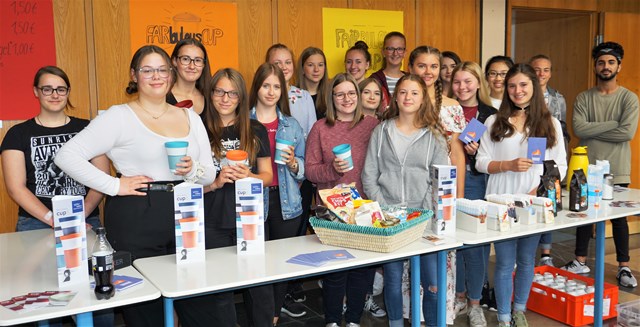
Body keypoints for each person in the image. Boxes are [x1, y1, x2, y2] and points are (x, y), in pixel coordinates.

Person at [55, 45, 220, 327]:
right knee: (146, 311)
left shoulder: (190, 117)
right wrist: (113, 185)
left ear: (171, 73)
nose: (156, 76)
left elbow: (208, 175)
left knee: (201, 305)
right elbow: (66, 156)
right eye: (147, 70)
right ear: (134, 75)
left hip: (186, 214)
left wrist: (193, 169)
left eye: (162, 69)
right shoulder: (118, 116)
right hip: (136, 216)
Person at [0, 66, 113, 327]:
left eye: (60, 89)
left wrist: (76, 217)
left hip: (85, 224)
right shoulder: (17, 134)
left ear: (68, 92)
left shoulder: (89, 129)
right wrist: (54, 219)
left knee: (97, 298)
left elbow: (101, 180)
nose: (54, 94)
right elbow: (16, 187)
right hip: (36, 225)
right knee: (42, 301)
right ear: (36, 92)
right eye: (47, 88)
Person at [476, 63, 567, 327]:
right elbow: (481, 162)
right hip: (501, 201)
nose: (517, 91)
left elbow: (560, 164)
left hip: (534, 203)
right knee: (504, 262)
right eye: (512, 85)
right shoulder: (494, 121)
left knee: (527, 259)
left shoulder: (550, 123)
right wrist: (508, 165)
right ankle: (504, 317)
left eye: (523, 85)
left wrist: (538, 191)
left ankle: (519, 310)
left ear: (534, 88)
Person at [362, 74, 449, 327]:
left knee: (431, 282)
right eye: (403, 92)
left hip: (424, 218)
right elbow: (369, 175)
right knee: (392, 279)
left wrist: (421, 213)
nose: (408, 97)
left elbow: (438, 178)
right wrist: (386, 210)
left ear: (423, 98)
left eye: (414, 93)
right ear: (395, 97)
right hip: (389, 220)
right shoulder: (381, 131)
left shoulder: (434, 135)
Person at [305, 73, 379, 327]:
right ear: (331, 98)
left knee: (361, 270)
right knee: (335, 272)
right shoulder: (320, 128)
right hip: (331, 210)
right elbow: (310, 171)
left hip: (364, 208)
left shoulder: (372, 125)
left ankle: (355, 320)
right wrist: (333, 170)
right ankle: (333, 321)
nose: (346, 99)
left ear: (358, 97)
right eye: (340, 94)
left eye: (351, 93)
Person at [562, 41, 638, 288]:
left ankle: (624, 267)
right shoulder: (584, 97)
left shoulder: (629, 98)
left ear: (619, 65)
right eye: (601, 62)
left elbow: (627, 133)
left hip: (617, 167)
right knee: (583, 213)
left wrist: (593, 131)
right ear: (595, 65)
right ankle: (579, 260)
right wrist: (612, 124)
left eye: (611, 62)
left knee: (618, 218)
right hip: (587, 164)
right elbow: (579, 129)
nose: (606, 66)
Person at [201, 68, 274, 326]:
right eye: (219, 91)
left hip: (250, 219)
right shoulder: (197, 127)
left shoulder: (255, 129)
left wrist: (249, 176)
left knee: (260, 289)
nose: (225, 98)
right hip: (212, 220)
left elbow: (267, 176)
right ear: (210, 94)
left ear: (242, 98)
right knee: (221, 292)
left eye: (232, 93)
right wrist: (216, 182)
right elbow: (187, 183)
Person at [249, 63, 307, 324]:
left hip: (287, 203)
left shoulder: (291, 125)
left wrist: (295, 164)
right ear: (256, 88)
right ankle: (259, 316)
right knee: (255, 264)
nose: (271, 92)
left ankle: (273, 315)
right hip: (253, 201)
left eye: (276, 87)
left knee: (281, 262)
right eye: (265, 85)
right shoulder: (243, 123)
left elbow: (303, 167)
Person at [448, 61, 498, 327]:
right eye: (457, 82)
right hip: (446, 181)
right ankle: (459, 296)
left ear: (479, 82)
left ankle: (476, 303)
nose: (462, 87)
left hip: (477, 183)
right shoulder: (445, 109)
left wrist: (476, 152)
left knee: (475, 246)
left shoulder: (489, 115)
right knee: (454, 244)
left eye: (468, 81)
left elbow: (496, 155)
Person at [529, 54, 568, 267]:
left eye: (546, 70)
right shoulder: (521, 93)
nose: (541, 74)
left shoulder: (558, 98)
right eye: (536, 69)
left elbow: (563, 129)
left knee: (547, 203)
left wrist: (558, 167)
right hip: (527, 159)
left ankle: (546, 254)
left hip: (550, 152)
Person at [266, 44, 317, 138]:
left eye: (288, 62)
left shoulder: (304, 96)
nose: (284, 67)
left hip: (300, 151)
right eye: (277, 63)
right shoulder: (264, 96)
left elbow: (313, 133)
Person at [167, 38, 212, 114]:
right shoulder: (162, 97)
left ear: (204, 64)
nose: (191, 66)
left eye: (198, 60)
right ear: (174, 61)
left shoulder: (211, 99)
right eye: (185, 59)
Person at [371, 32, 408, 110]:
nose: (395, 53)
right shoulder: (374, 79)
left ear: (405, 53)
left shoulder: (410, 79)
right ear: (383, 52)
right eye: (390, 49)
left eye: (399, 49)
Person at [297, 47, 329, 120]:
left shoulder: (331, 95)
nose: (316, 69)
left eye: (320, 65)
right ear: (302, 69)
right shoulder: (294, 96)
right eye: (310, 65)